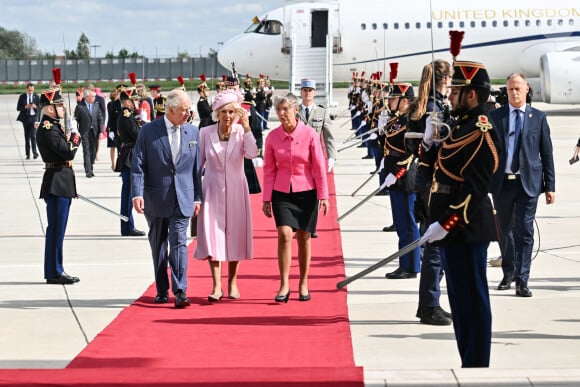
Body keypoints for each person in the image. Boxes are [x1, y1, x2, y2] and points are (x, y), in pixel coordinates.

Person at [420, 60, 501, 367]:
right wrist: (428, 141)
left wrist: (446, 222)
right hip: (450, 229)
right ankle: (468, 359)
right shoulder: (459, 125)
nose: (449, 96)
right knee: (458, 298)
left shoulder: (481, 130)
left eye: (455, 92)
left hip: (466, 228)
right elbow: (436, 170)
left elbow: (476, 189)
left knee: (473, 298)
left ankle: (477, 363)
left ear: (471, 95)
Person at [131, 89, 202, 308]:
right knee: (159, 244)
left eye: (189, 110)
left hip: (183, 197)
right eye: (184, 110)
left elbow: (196, 169)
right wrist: (137, 193)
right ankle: (162, 289)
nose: (188, 114)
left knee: (179, 243)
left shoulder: (193, 132)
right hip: (156, 197)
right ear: (170, 110)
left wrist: (197, 197)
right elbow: (138, 165)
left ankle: (180, 290)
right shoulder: (149, 131)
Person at [490, 73, 556, 297]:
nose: (514, 93)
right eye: (510, 89)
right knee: (504, 230)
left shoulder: (538, 117)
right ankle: (508, 273)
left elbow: (546, 153)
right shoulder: (495, 117)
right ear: (506, 91)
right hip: (502, 183)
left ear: (527, 89)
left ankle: (522, 280)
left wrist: (550, 186)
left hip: (528, 183)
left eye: (518, 88)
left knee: (525, 232)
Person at [262, 93, 329, 303]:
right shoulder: (272, 137)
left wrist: (323, 195)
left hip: (307, 191)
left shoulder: (309, 134)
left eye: (285, 109)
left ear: (295, 109)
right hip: (281, 191)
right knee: (284, 234)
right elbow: (268, 170)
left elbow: (318, 167)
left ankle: (303, 282)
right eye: (278, 110)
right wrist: (266, 198)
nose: (281, 114)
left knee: (304, 238)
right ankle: (284, 284)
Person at [193, 89, 259, 301]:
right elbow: (197, 165)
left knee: (235, 236)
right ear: (217, 114)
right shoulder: (205, 133)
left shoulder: (241, 132)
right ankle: (216, 286)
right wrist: (194, 194)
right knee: (213, 237)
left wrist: (247, 127)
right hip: (211, 191)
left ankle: (232, 282)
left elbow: (252, 153)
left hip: (237, 191)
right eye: (223, 112)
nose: (228, 116)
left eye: (231, 112)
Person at [406, 59, 453, 325]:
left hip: (427, 183)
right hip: (435, 185)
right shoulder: (434, 109)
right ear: (444, 80)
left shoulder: (427, 106)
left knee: (437, 245)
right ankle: (429, 305)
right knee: (436, 247)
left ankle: (431, 301)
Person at [36, 83, 82, 284]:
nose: (63, 109)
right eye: (59, 105)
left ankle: (55, 269)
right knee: (56, 229)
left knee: (58, 229)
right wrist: (74, 136)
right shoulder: (48, 129)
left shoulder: (54, 127)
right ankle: (55, 271)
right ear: (49, 108)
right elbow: (67, 152)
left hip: (61, 181)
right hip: (57, 182)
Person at [382, 82, 421, 280]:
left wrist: (396, 172)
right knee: (400, 222)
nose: (390, 102)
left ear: (404, 101)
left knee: (407, 224)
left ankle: (411, 266)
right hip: (394, 176)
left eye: (394, 98)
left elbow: (410, 152)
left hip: (404, 177)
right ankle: (405, 263)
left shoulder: (411, 122)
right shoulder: (398, 120)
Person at [297, 78, 336, 238]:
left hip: (315, 158)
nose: (307, 93)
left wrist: (331, 156)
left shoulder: (322, 112)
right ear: (301, 92)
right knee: (299, 191)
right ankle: (300, 224)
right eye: (305, 90)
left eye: (310, 91)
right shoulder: (294, 111)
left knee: (314, 193)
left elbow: (329, 137)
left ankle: (311, 226)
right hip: (297, 158)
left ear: (314, 93)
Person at [115, 85, 146, 237]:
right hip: (130, 156)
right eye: (134, 99)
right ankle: (127, 226)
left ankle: (127, 225)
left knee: (129, 193)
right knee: (129, 193)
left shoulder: (129, 116)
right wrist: (144, 126)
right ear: (127, 102)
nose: (137, 102)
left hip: (130, 154)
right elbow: (137, 135)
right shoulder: (127, 116)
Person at [74, 89, 103, 178]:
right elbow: (76, 119)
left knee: (93, 151)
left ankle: (91, 167)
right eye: (93, 96)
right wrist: (76, 130)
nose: (95, 98)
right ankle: (88, 171)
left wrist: (101, 131)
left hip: (94, 131)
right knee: (86, 150)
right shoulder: (79, 107)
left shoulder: (96, 106)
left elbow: (100, 119)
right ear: (87, 97)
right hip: (84, 131)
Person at [16, 83, 40, 160]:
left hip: (34, 118)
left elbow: (40, 108)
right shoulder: (22, 97)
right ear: (27, 89)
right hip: (25, 118)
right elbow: (18, 108)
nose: (30, 92)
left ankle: (35, 152)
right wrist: (25, 107)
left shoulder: (36, 97)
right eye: (29, 90)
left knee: (33, 136)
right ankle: (27, 154)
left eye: (32, 90)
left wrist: (35, 106)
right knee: (27, 136)